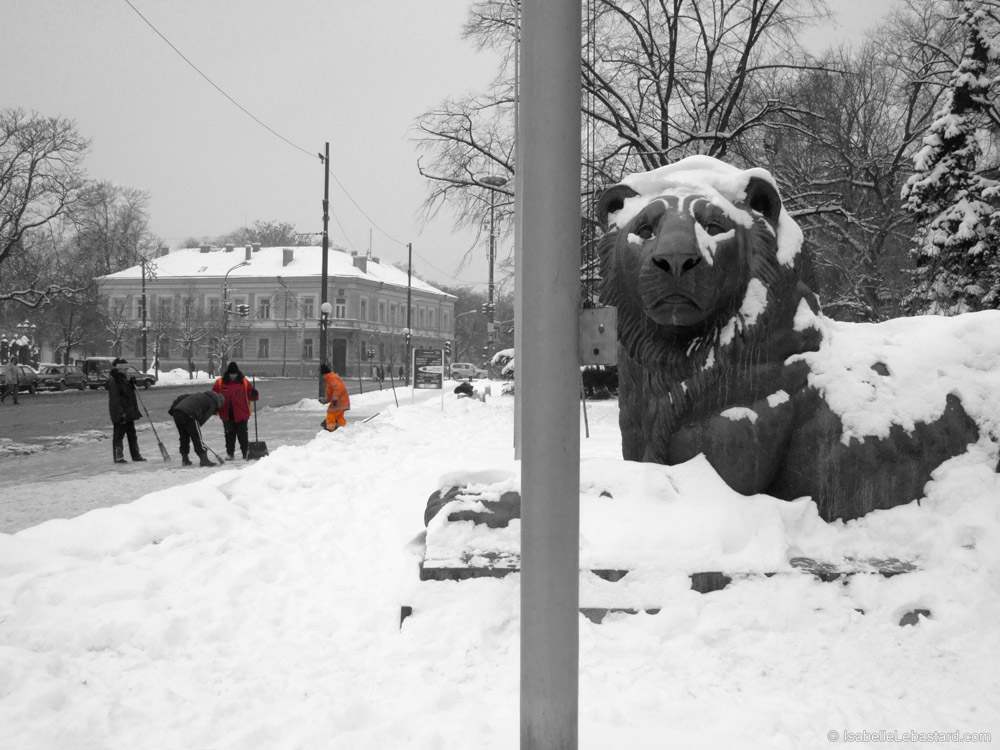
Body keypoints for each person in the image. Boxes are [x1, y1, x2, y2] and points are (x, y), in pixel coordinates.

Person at [212, 361, 259, 460]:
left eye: (234, 374)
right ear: (228, 373)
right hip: (226, 413)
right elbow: (213, 396)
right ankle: (230, 454)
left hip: (241, 413)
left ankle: (245, 453)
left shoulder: (244, 382)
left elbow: (251, 395)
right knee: (229, 435)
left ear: (237, 373)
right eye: (231, 374)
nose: (233, 376)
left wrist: (254, 394)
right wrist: (213, 408)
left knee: (243, 435)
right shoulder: (220, 382)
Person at [168, 390, 226, 466]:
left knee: (184, 436)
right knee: (197, 437)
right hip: (190, 414)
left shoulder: (199, 394)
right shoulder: (213, 403)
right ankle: (204, 460)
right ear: (219, 402)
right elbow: (203, 419)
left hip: (177, 412)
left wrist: (173, 410)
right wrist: (194, 429)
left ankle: (185, 459)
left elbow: (180, 398)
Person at [106, 357, 146, 464]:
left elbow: (127, 394)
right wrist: (120, 413)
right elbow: (115, 399)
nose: (127, 371)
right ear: (119, 369)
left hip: (128, 412)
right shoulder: (114, 380)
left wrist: (131, 385)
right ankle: (118, 457)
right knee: (119, 435)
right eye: (125, 369)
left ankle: (136, 455)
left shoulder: (122, 378)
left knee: (132, 434)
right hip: (121, 413)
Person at [320, 363, 351, 432]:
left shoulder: (332, 378)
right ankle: (342, 428)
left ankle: (330, 429)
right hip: (341, 401)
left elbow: (338, 388)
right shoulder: (330, 378)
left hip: (339, 401)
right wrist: (326, 400)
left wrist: (334, 399)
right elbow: (330, 393)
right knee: (338, 415)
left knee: (331, 413)